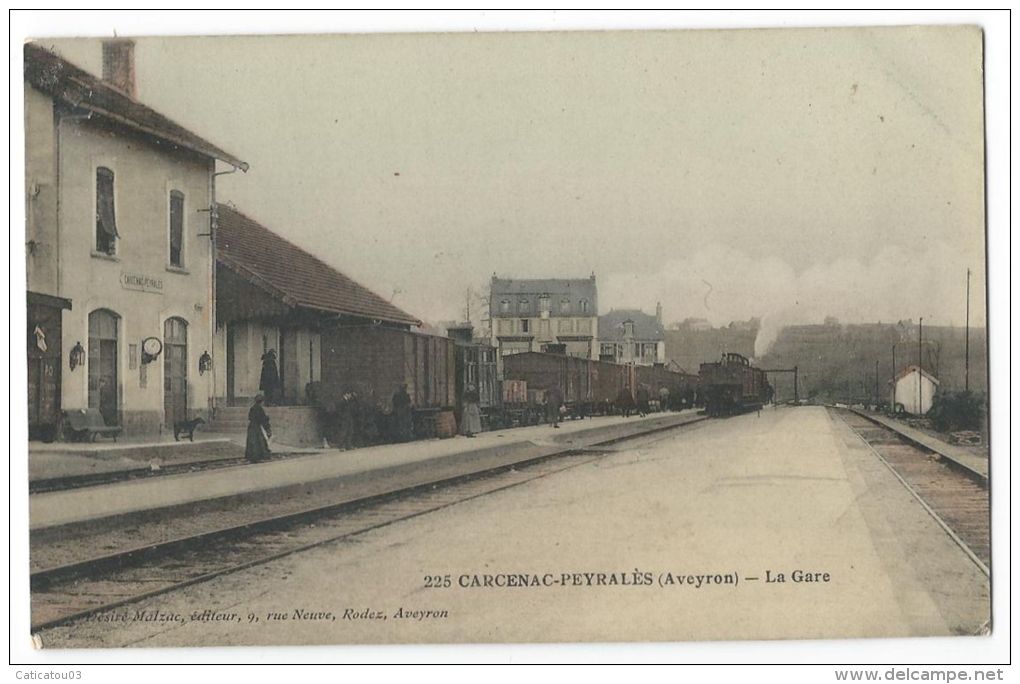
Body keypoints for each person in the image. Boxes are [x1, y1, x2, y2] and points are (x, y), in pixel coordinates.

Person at [245, 394, 272, 462]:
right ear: (262, 402)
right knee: (259, 441)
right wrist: (268, 429)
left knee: (252, 441)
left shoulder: (252, 408)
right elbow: (263, 420)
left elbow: (250, 417)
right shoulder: (260, 409)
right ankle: (258, 455)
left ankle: (251, 455)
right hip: (256, 427)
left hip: (251, 426)